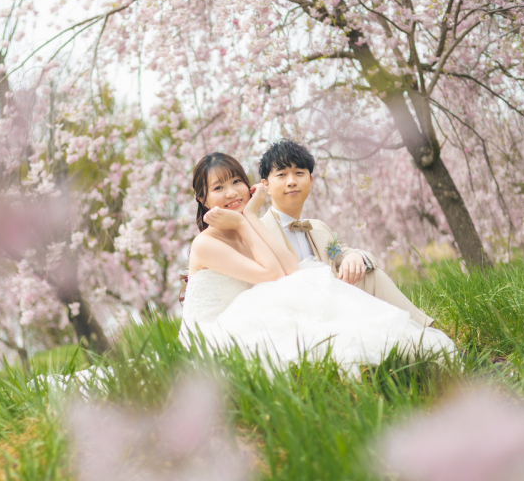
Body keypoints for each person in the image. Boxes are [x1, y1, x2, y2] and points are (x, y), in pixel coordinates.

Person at [180, 151, 455, 375]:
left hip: (262, 308)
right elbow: (276, 274)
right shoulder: (215, 240)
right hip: (224, 329)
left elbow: (300, 266)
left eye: (236, 182)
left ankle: (422, 339)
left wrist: (353, 256)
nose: (231, 193)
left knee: (360, 282)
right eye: (218, 188)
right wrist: (246, 220)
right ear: (203, 199)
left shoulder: (303, 227)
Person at [258, 138, 434, 327]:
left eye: (299, 173)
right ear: (266, 185)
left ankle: (425, 328)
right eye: (282, 175)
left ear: (310, 180)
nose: (292, 182)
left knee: (370, 274)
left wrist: (355, 256)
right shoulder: (257, 230)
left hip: (330, 307)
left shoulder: (318, 228)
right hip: (290, 315)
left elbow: (341, 252)